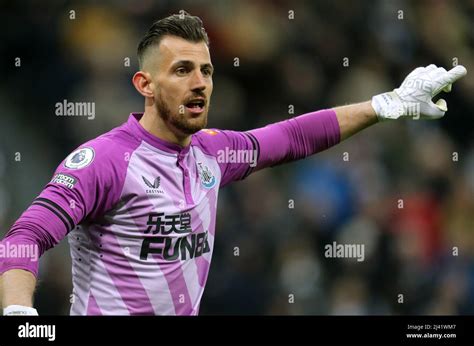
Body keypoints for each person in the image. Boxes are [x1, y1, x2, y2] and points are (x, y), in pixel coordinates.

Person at [0, 12, 467, 315]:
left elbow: (294, 135)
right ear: (144, 83)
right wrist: (21, 316)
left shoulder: (212, 151)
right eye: (182, 70)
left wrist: (386, 104)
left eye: (206, 70)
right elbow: (23, 238)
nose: (200, 82)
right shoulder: (103, 161)